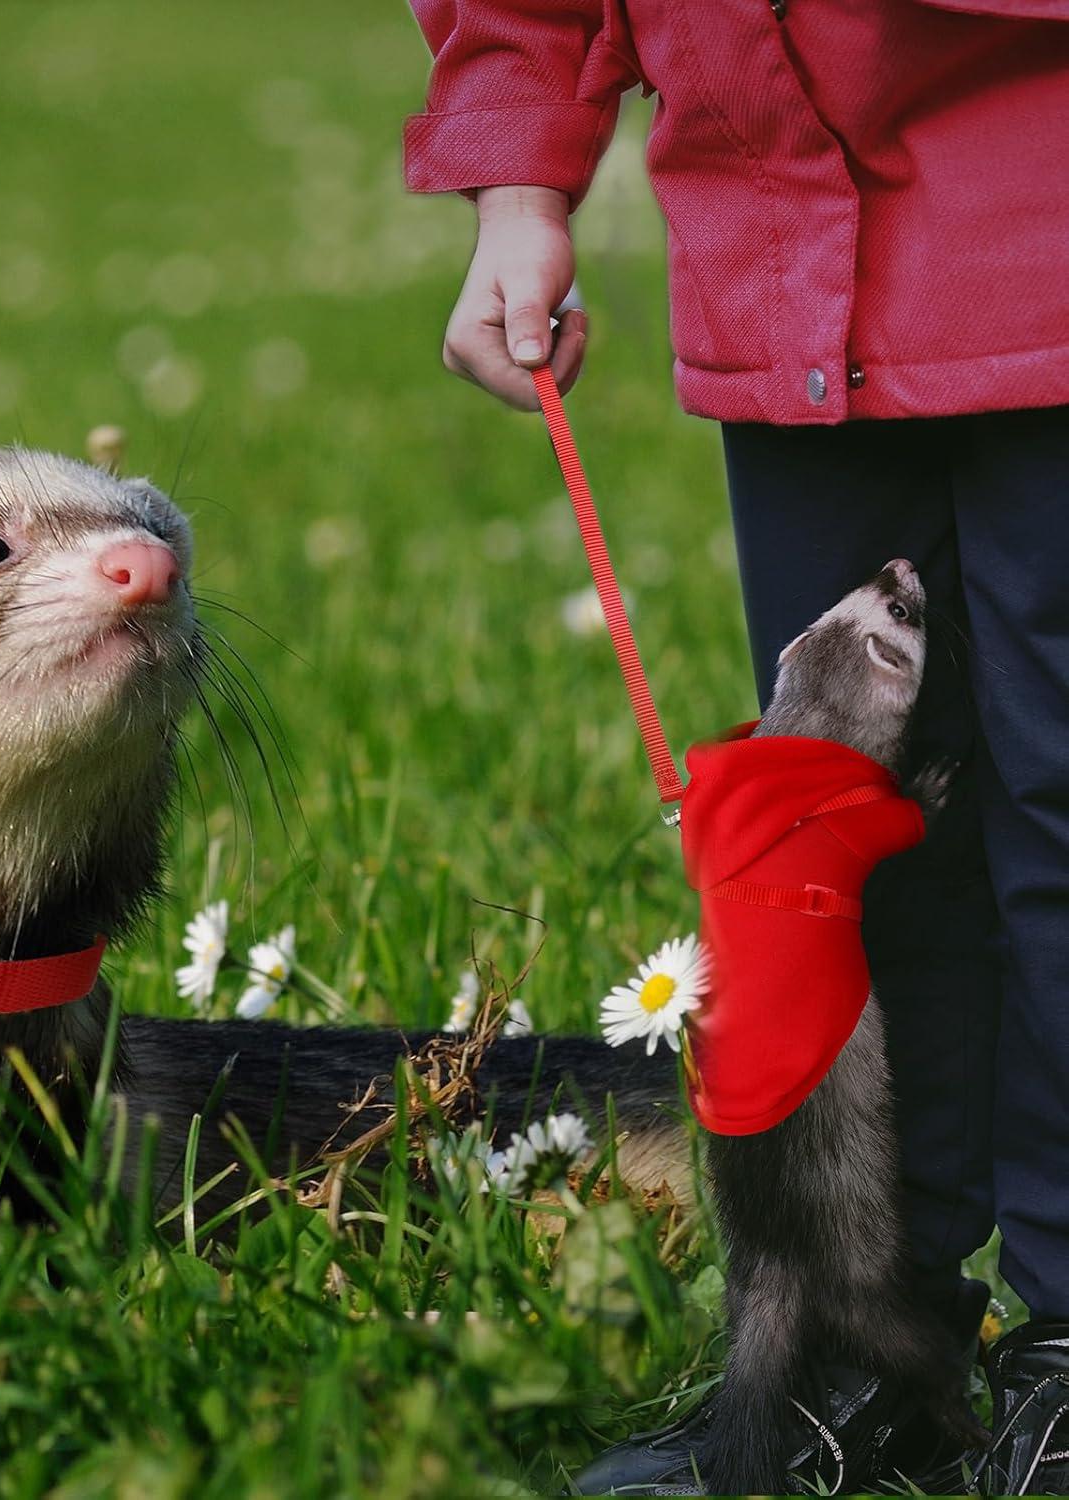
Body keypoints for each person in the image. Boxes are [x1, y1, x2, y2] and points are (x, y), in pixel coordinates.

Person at [403, 2, 1069, 1492]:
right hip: (783, 255)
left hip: (1041, 211)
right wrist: (521, 183)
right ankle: (866, 1348)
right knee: (833, 828)